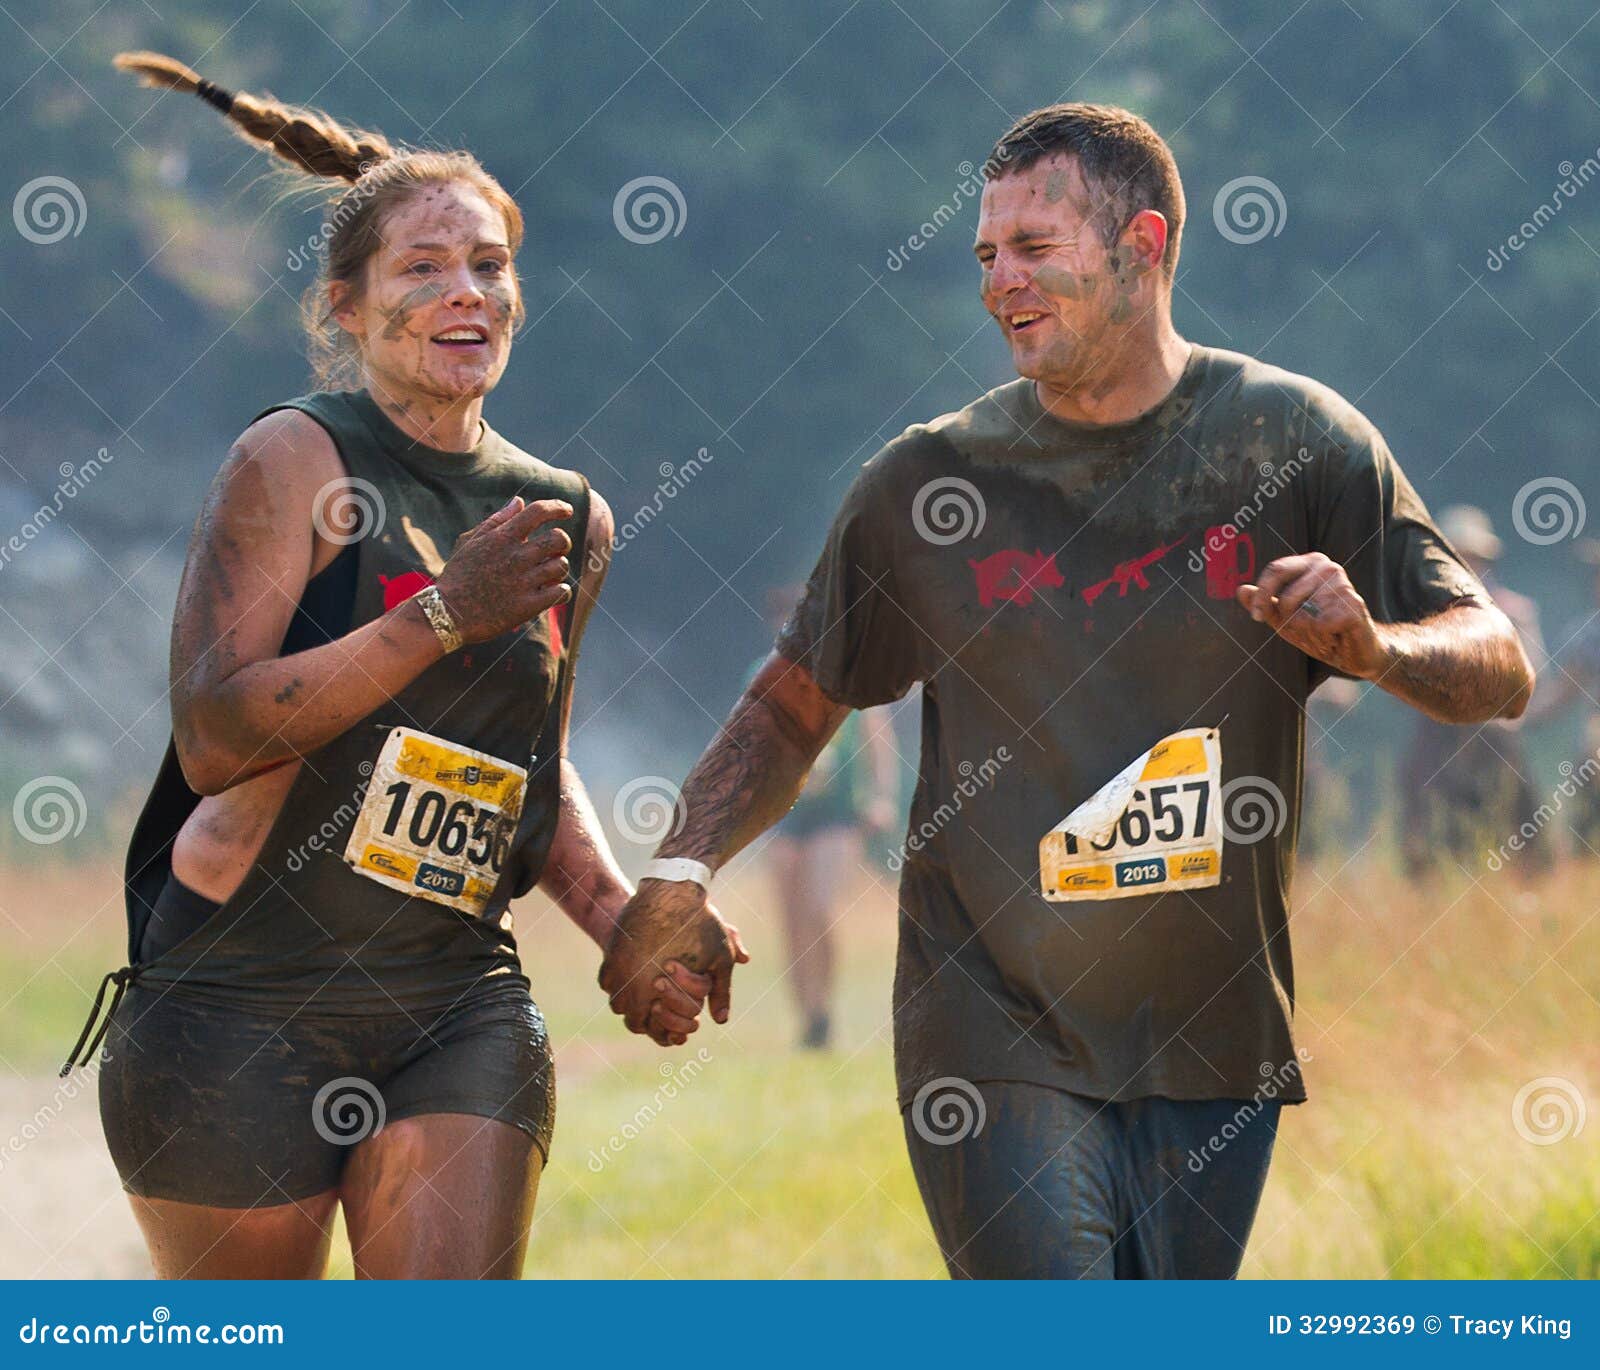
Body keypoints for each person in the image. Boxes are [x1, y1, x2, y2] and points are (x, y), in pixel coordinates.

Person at [597, 103, 1534, 1278]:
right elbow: (792, 704)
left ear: (1141, 246)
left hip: (1208, 1030)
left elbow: (1499, 664)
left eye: (1033, 249)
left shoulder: (1290, 441)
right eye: (985, 255)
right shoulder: (931, 479)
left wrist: (1379, 648)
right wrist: (680, 867)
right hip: (990, 1016)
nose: (999, 281)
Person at [74, 52, 721, 1280]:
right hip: (236, 999)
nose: (464, 289)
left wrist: (622, 920)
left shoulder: (565, 517)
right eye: (422, 268)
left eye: (489, 263)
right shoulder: (295, 459)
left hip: (453, 996)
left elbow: (532, 768)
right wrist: (439, 615)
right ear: (347, 309)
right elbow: (214, 734)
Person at [761, 589, 900, 1049]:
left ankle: (825, 1007)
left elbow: (876, 736)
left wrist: (880, 796)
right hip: (785, 812)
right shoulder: (763, 677)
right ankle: (809, 1016)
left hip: (838, 813)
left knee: (820, 908)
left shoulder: (848, 675)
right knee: (791, 916)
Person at [1399, 505, 1548, 880]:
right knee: (1417, 798)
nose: (1467, 564)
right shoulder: (1424, 611)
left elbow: (1533, 670)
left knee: (1523, 815)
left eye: (1472, 557)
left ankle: (1530, 880)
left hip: (1496, 730)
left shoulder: (1515, 611)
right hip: (1439, 730)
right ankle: (1424, 879)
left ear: (1485, 559)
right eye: (1458, 555)